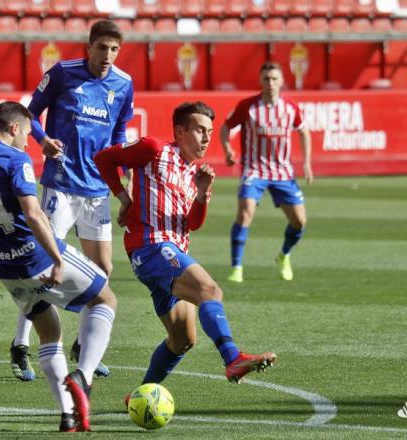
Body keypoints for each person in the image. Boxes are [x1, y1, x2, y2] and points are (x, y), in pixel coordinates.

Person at [0, 101, 116, 432]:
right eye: (27, 133)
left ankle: (69, 413)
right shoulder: (15, 158)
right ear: (14, 128)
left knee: (48, 331)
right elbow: (33, 212)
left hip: (2, 263)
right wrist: (56, 256)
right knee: (105, 299)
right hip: (33, 256)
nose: (28, 140)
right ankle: (82, 377)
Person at [94, 101, 276, 393]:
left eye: (210, 132)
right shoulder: (154, 150)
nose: (206, 138)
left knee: (183, 340)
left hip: (169, 254)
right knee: (210, 291)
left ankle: (140, 396)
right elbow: (104, 158)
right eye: (200, 130)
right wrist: (123, 198)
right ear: (179, 131)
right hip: (152, 248)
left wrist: (202, 195)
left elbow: (191, 224)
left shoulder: (195, 175)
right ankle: (233, 359)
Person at [7, 19, 134, 381]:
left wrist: (120, 177)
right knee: (44, 267)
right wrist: (43, 140)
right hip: (61, 185)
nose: (107, 55)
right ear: (88, 46)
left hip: (96, 191)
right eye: (102, 48)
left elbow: (120, 131)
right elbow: (28, 115)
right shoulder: (63, 73)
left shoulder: (123, 84)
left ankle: (82, 344)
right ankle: (20, 344)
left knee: (103, 271)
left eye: (114, 49)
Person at [220, 62, 313, 284]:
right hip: (254, 169)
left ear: (281, 81)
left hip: (283, 172)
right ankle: (236, 267)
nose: (270, 83)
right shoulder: (247, 106)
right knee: (245, 214)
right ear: (260, 81)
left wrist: (307, 163)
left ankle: (284, 255)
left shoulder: (291, 108)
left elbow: (304, 132)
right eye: (266, 79)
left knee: (299, 222)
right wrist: (228, 150)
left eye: (274, 79)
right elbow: (225, 128)